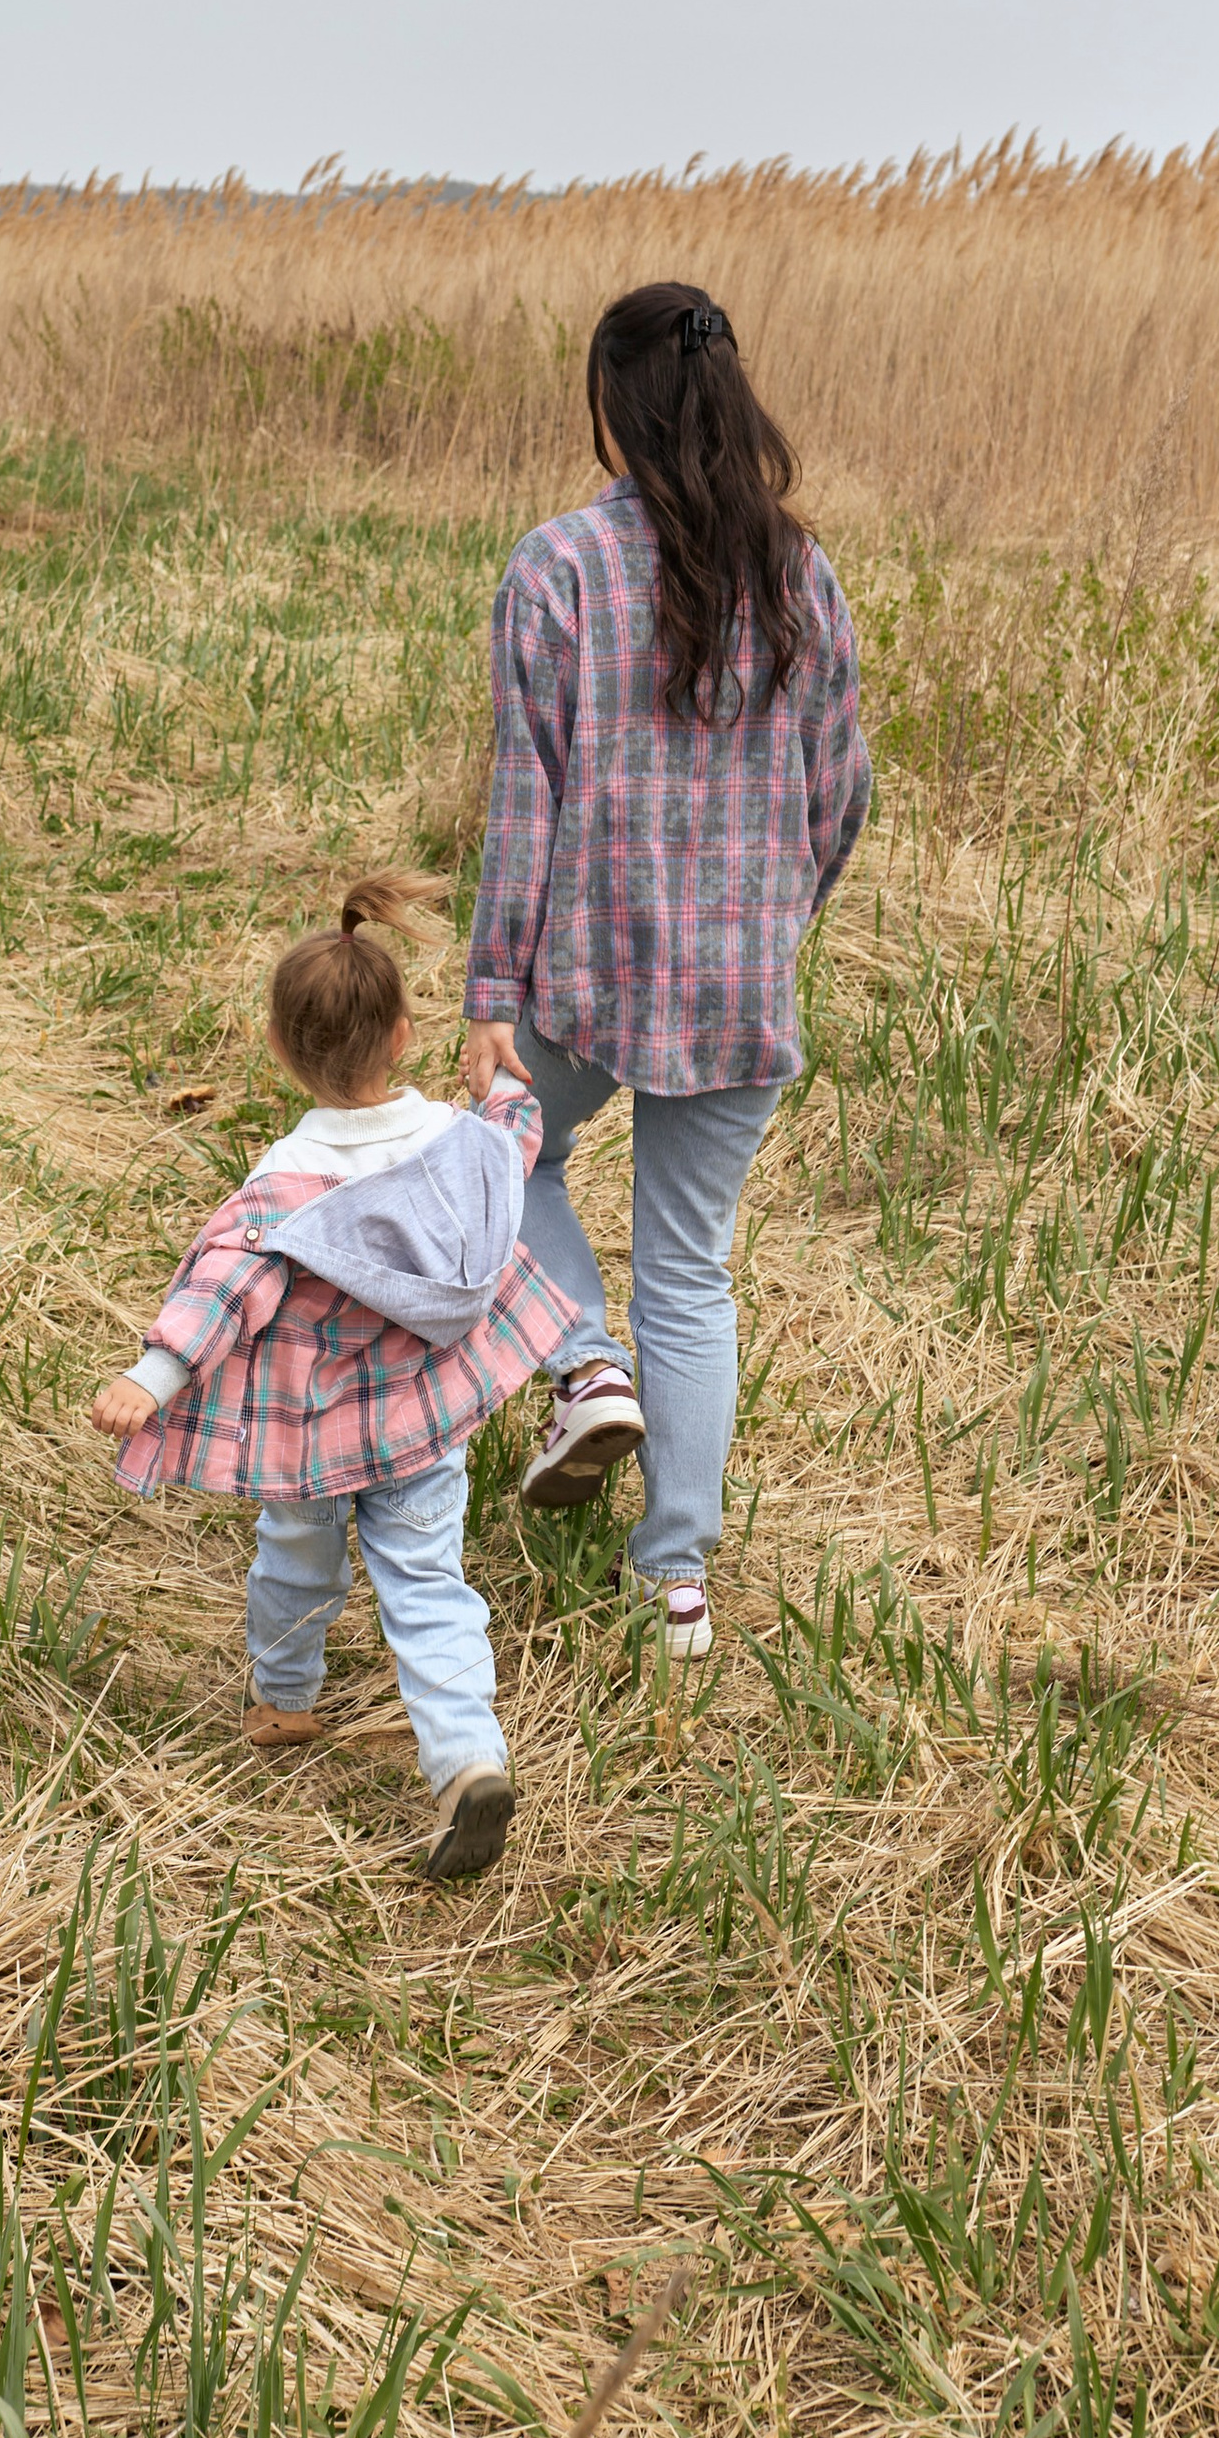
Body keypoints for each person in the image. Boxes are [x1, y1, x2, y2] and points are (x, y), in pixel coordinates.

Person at [459, 284, 872, 1662]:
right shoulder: (801, 574)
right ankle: (676, 1584)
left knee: (498, 1151)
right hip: (739, 979)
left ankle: (582, 1363)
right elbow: (841, 800)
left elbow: (527, 804)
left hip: (589, 966)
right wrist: (771, 918)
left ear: (613, 405)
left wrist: (485, 1003)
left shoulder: (559, 567)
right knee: (693, 1270)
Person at [90, 876, 575, 1882]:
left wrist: (154, 1372)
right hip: (423, 1424)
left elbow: (223, 1284)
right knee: (430, 1587)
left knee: (295, 1565)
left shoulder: (285, 1186)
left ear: (277, 1050)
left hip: (311, 1438)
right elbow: (516, 1140)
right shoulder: (464, 1144)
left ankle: (285, 1701)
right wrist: (504, 1080)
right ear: (403, 1035)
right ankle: (467, 1759)